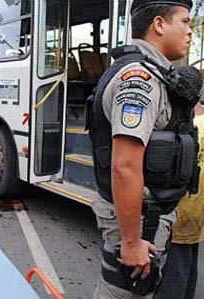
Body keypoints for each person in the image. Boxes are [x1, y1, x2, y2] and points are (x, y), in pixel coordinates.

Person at [86, 1, 201, 298]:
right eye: (185, 22)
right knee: (125, 292)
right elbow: (124, 165)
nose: (190, 31)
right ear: (160, 24)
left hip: (148, 216)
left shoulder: (156, 73)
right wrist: (132, 241)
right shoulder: (140, 79)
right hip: (140, 222)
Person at [155, 103, 204, 299]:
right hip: (198, 210)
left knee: (174, 269)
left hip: (180, 210)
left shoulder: (184, 127)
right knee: (188, 264)